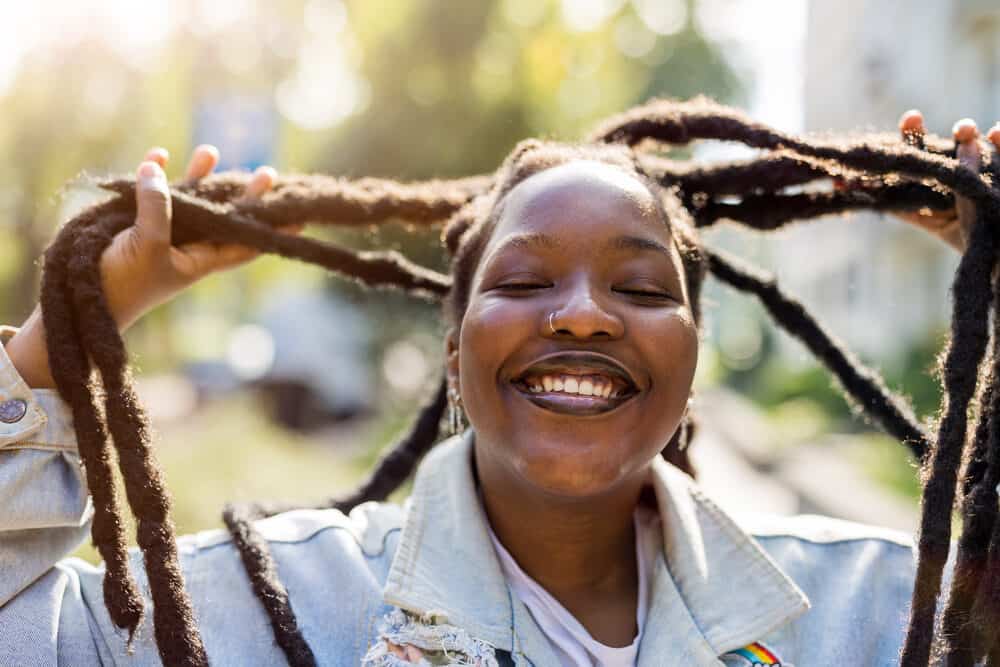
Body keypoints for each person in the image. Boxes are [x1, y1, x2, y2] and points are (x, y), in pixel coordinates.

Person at [0, 107, 997, 666]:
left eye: (641, 286)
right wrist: (71, 327)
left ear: (690, 364)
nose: (579, 314)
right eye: (522, 280)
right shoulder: (269, 608)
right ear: (452, 355)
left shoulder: (863, 614)